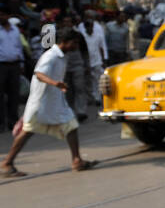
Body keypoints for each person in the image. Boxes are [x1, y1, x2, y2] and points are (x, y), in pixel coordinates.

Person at [2, 27, 98, 176]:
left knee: (71, 125)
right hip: (42, 103)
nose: (76, 46)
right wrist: (56, 83)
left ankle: (77, 160)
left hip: (54, 102)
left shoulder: (61, 55)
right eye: (74, 43)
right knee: (28, 131)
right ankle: (7, 163)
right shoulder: (51, 56)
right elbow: (39, 74)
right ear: (65, 42)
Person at [0, 16, 25, 132]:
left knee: (14, 94)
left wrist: (22, 64)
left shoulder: (15, 30)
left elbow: (19, 47)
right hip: (2, 65)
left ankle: (13, 121)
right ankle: (1, 122)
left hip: (15, 64)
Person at [78, 10, 108, 103]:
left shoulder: (98, 35)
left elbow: (101, 48)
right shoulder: (82, 37)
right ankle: (90, 97)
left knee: (97, 79)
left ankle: (98, 97)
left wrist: (104, 60)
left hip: (97, 61)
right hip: (87, 62)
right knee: (88, 81)